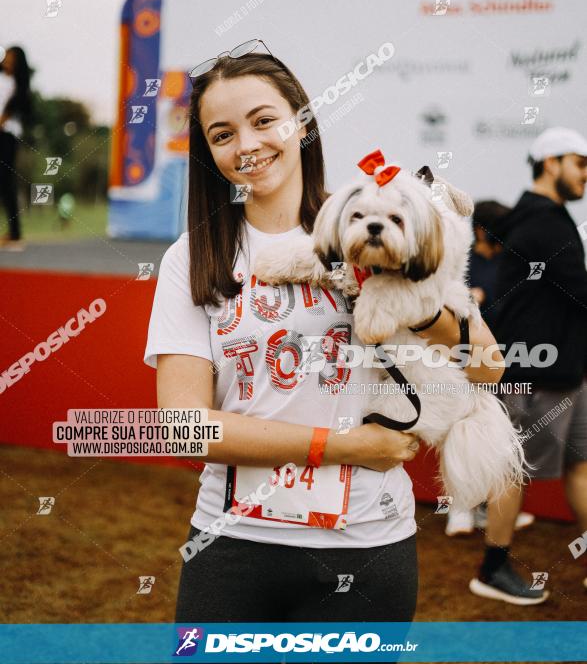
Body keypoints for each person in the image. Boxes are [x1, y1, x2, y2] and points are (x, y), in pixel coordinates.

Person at [143, 39, 504, 629]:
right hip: (230, 549)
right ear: (208, 152)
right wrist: (338, 447)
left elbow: (489, 367)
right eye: (222, 133)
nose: (248, 145)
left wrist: (404, 300)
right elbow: (185, 428)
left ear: (301, 122)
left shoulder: (375, 219)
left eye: (264, 121)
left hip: (367, 549)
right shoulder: (194, 256)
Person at [469, 127, 587, 604]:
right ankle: (492, 569)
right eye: (580, 164)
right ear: (551, 162)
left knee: (581, 466)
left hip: (565, 372)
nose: (585, 175)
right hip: (535, 377)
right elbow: (581, 290)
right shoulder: (542, 223)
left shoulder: (548, 218)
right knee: (510, 474)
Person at [446, 201, 535, 537]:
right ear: (482, 230)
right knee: (460, 432)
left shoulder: (512, 262)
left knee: (498, 439)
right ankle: (459, 509)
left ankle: (488, 510)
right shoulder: (460, 263)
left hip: (505, 364)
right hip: (465, 365)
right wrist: (468, 299)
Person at [0, 46, 33, 250]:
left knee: (5, 181)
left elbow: (21, 111)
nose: (8, 62)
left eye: (12, 59)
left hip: (7, 136)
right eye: (7, 58)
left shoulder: (20, 88)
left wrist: (5, 118)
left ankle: (15, 232)